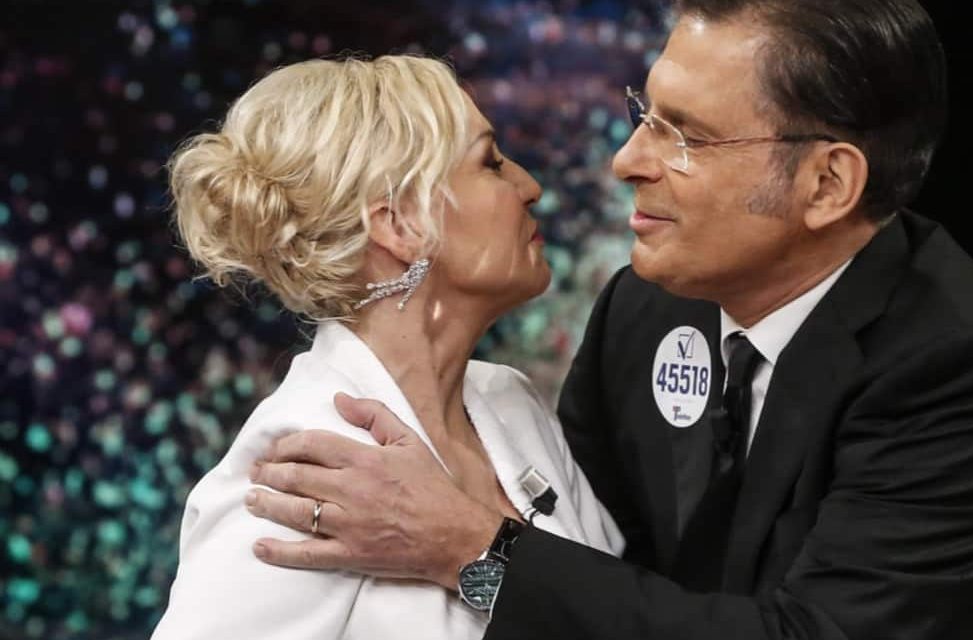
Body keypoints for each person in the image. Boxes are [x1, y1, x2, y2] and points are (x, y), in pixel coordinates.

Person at [245, 1, 973, 638]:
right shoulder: (644, 308)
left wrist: (471, 551)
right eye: (645, 114)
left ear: (827, 184)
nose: (627, 160)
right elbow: (602, 580)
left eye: (687, 136)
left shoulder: (960, 366)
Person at [151, 55, 623, 639]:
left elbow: (611, 613)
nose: (530, 187)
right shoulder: (305, 469)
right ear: (400, 226)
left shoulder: (510, 402)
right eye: (491, 163)